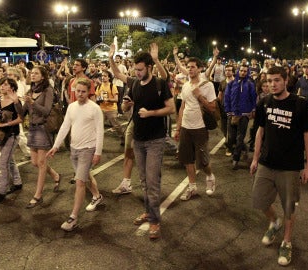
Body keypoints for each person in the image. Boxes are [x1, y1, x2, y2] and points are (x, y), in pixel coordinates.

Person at [109, 42, 175, 239]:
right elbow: (119, 76)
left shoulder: (159, 84)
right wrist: (111, 59)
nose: (136, 72)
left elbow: (171, 108)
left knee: (153, 182)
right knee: (144, 181)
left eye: (139, 69)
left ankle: (155, 221)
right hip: (138, 139)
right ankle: (148, 211)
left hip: (155, 139)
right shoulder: (134, 84)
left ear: (149, 68)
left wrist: (151, 113)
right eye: (134, 69)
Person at [250, 66, 308, 266]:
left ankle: (286, 242)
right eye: (269, 81)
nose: (272, 84)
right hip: (266, 163)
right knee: (259, 201)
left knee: (289, 207)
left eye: (276, 80)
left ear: (286, 80)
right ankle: (274, 221)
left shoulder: (300, 104)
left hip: (290, 167)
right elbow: (260, 131)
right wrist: (255, 158)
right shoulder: (264, 103)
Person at [47, 78, 104, 231]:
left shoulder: (95, 108)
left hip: (88, 149)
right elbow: (65, 126)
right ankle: (97, 196)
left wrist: (98, 152)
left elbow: (100, 131)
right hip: (74, 149)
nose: (80, 94)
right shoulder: (71, 107)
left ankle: (73, 218)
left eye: (83, 91)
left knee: (79, 182)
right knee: (84, 177)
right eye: (77, 91)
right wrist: (56, 145)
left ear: (89, 91)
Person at [14, 66, 61, 208]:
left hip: (44, 128)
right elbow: (22, 114)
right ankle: (55, 176)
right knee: (35, 162)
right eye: (31, 73)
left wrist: (33, 103)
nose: (32, 75)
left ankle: (38, 195)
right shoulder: (30, 91)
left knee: (41, 163)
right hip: (33, 130)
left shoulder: (48, 90)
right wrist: (16, 102)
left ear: (43, 76)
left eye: (36, 73)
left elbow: (46, 111)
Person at [174, 56, 217, 201]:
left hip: (200, 127)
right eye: (189, 66)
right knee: (187, 159)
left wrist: (200, 96)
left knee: (203, 162)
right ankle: (192, 187)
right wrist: (178, 128)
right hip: (186, 126)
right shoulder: (185, 85)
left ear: (200, 69)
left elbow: (212, 107)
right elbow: (182, 107)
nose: (190, 69)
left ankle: (210, 176)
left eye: (193, 67)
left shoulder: (207, 85)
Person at [0, 78, 23, 203]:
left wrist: (4, 125)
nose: (2, 86)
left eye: (5, 84)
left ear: (12, 88)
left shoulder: (16, 101)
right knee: (9, 160)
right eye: (1, 84)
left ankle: (2, 190)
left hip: (12, 135)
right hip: (0, 135)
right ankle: (17, 182)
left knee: (3, 163)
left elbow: (21, 119)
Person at [224, 64, 257, 169]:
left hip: (244, 115)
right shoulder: (231, 84)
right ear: (238, 71)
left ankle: (236, 159)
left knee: (240, 137)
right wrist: (228, 111)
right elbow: (227, 98)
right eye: (241, 70)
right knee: (231, 139)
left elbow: (253, 97)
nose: (243, 72)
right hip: (232, 114)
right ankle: (244, 148)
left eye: (245, 71)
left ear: (247, 72)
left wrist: (253, 109)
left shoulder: (250, 84)